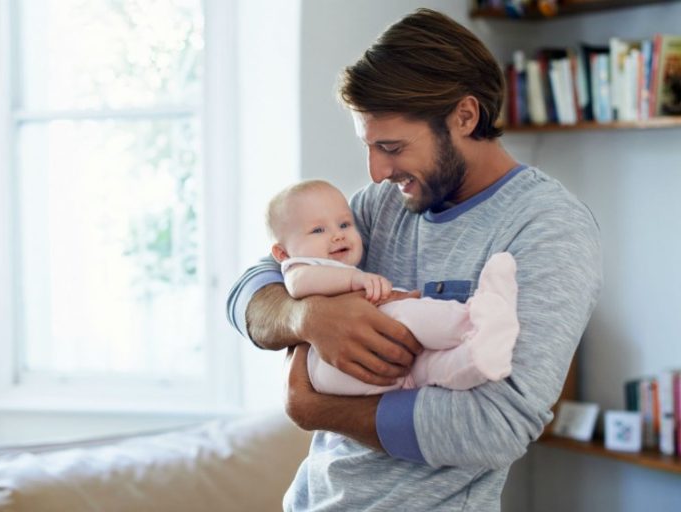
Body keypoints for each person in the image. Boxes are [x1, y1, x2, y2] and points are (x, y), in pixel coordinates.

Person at [227, 8, 602, 511]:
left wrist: (316, 407)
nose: (377, 172)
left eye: (391, 147)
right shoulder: (384, 206)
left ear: (465, 116)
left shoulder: (548, 228)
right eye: (369, 147)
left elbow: (497, 426)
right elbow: (250, 289)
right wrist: (305, 316)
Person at [266, 179, 520, 395]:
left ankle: (477, 359)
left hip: (378, 371)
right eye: (318, 230)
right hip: (329, 367)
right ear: (282, 252)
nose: (338, 235)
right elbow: (299, 285)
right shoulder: (299, 268)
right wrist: (356, 281)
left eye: (344, 224)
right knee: (407, 314)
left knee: (428, 368)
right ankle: (476, 320)